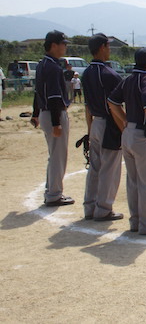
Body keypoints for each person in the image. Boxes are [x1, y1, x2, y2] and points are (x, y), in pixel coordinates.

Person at [108, 48, 146, 235]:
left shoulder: (128, 79)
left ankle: (136, 221)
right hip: (145, 137)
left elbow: (112, 102)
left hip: (129, 134)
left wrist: (125, 120)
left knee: (134, 181)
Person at [82, 33, 125, 221]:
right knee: (110, 168)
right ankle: (104, 208)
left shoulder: (86, 73)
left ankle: (90, 207)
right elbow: (115, 105)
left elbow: (87, 106)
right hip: (109, 124)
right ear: (101, 47)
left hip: (96, 123)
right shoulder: (109, 74)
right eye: (108, 46)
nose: (109, 50)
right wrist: (124, 128)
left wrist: (90, 129)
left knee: (95, 167)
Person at [30, 30, 75, 206]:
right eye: (63, 44)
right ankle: (54, 194)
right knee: (58, 156)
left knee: (54, 155)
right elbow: (55, 98)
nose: (65, 47)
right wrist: (57, 123)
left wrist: (35, 113)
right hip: (53, 113)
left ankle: (51, 190)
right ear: (54, 45)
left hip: (45, 112)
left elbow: (37, 92)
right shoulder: (53, 67)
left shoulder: (42, 64)